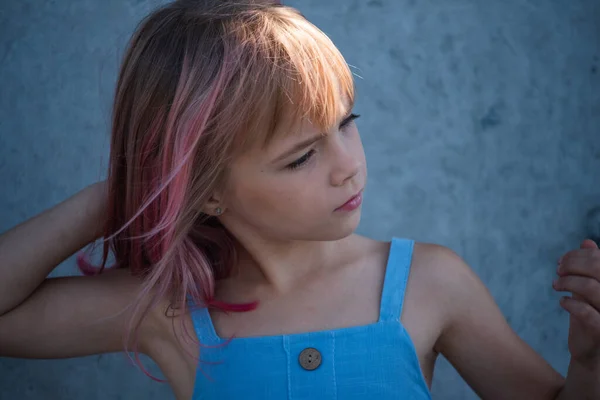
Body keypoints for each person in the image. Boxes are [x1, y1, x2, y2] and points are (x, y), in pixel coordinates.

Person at [0, 1, 599, 399]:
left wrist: (592, 364)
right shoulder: (170, 311)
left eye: (347, 122)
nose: (349, 166)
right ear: (203, 191)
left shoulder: (429, 281)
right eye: (301, 156)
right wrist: (120, 195)